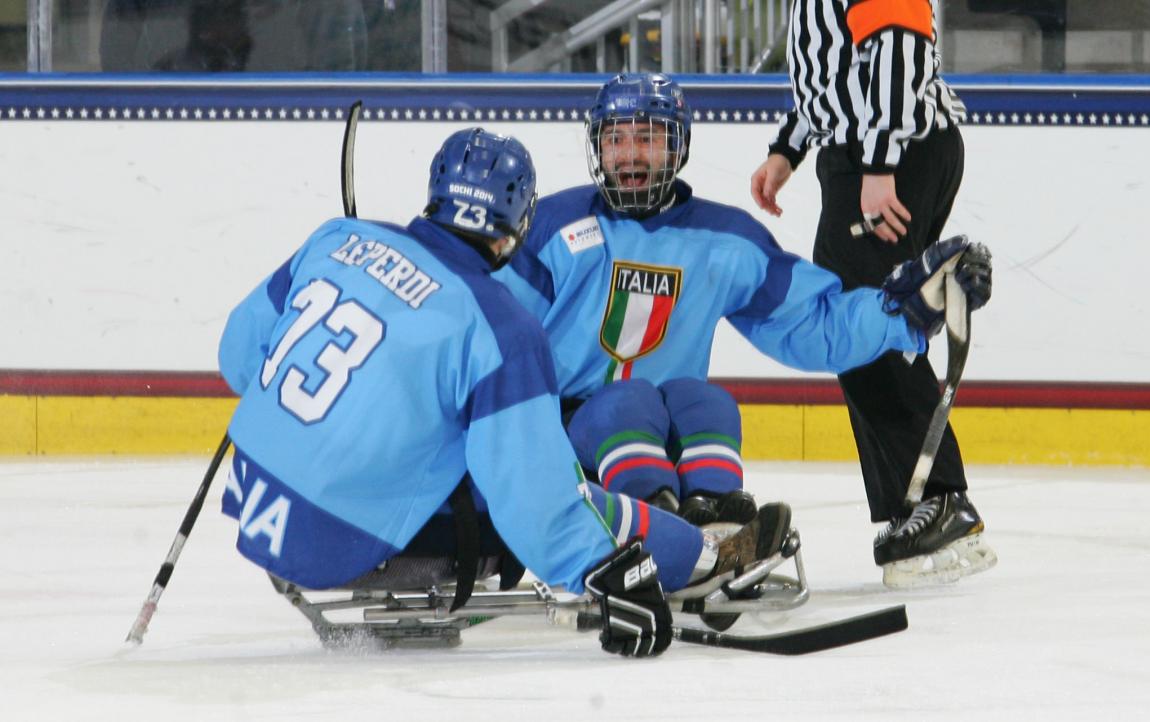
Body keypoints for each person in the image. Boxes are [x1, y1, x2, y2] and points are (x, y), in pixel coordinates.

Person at [216, 127, 794, 658]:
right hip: (347, 545)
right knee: (567, 491)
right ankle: (702, 553)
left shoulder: (336, 239)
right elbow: (536, 509)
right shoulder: (502, 327)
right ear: (518, 226)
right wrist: (611, 569)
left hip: (256, 506)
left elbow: (238, 358)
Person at [494, 72, 993, 587]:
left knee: (705, 402)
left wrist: (903, 310)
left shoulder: (724, 240)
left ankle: (715, 530)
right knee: (629, 402)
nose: (630, 155)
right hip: (563, 439)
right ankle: (653, 534)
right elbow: (491, 335)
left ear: (678, 146)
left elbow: (813, 324)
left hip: (656, 435)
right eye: (615, 138)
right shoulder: (550, 225)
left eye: (648, 137)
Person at [748, 1, 997, 587]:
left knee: (856, 324)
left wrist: (878, 161)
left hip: (888, 153)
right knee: (871, 321)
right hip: (879, 150)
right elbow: (835, 68)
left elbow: (898, 45)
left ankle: (938, 498)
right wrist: (790, 146)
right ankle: (918, 504)